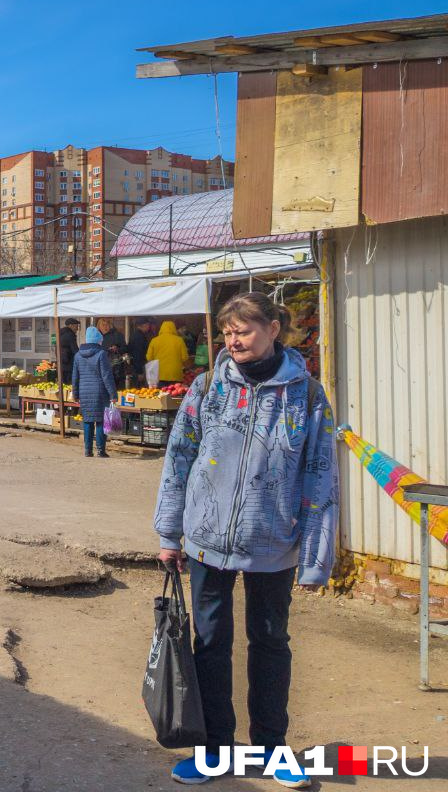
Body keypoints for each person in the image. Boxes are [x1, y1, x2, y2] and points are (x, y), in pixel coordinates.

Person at [154, 292, 337, 788]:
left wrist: (316, 558)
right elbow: (179, 459)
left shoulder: (308, 394)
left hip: (273, 542)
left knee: (270, 642)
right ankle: (215, 749)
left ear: (275, 327)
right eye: (229, 331)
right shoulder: (207, 387)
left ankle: (273, 749)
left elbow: (320, 477)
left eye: (245, 329)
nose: (234, 339)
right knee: (210, 643)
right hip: (207, 540)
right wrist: (169, 532)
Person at [71, 326, 117, 458]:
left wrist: (75, 394)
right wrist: (113, 395)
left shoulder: (78, 355)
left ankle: (87, 450)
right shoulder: (101, 354)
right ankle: (101, 451)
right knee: (101, 421)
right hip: (100, 392)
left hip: (84, 392)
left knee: (88, 421)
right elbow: (107, 376)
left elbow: (75, 377)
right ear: (98, 340)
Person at [146, 320, 189, 386]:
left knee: (161, 395)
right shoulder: (179, 340)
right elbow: (185, 358)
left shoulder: (154, 340)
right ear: (174, 328)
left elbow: (149, 358)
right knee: (175, 394)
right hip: (175, 374)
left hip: (159, 374)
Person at [99, 318, 128, 389]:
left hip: (116, 370)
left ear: (110, 325)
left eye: (107, 324)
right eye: (103, 325)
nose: (105, 327)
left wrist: (117, 349)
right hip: (102, 369)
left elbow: (125, 348)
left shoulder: (117, 335)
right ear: (99, 326)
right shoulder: (97, 336)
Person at [127, 319, 153, 386]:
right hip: (138, 367)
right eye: (148, 325)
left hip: (135, 365)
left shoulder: (135, 335)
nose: (149, 327)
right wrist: (139, 372)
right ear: (144, 325)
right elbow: (138, 354)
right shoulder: (139, 337)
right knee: (139, 388)